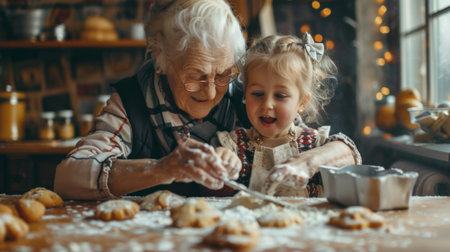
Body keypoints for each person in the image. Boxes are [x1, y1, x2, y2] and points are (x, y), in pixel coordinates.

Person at [54, 0, 360, 200]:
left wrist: (308, 162)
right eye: (196, 76)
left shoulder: (251, 96)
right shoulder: (132, 100)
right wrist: (160, 169)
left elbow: (324, 146)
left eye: (223, 74)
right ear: (162, 60)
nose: (212, 91)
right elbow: (68, 177)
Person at [216, 34, 361, 197]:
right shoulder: (234, 145)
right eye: (257, 93)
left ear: (302, 103)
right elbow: (213, 196)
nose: (267, 104)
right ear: (245, 94)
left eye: (280, 96)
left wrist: (311, 162)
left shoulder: (316, 143)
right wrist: (222, 169)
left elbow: (351, 158)